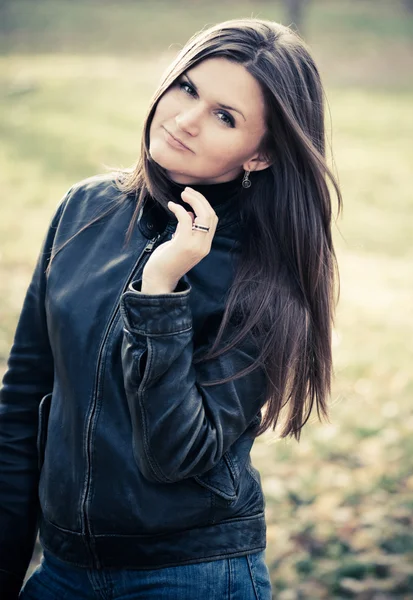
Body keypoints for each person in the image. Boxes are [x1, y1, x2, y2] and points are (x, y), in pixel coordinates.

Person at [0, 17, 341, 600]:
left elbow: (176, 455)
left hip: (190, 575)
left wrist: (161, 290)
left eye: (225, 117)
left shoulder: (264, 273)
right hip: (60, 573)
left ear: (259, 156)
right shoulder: (83, 209)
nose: (186, 119)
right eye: (188, 88)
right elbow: (22, 400)